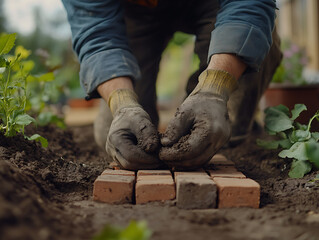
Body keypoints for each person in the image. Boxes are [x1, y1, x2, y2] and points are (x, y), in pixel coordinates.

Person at [62, 0, 282, 170]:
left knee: (258, 44)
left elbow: (249, 5)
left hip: (215, 5)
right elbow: (97, 35)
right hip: (130, 12)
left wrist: (215, 89)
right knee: (121, 136)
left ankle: (230, 141)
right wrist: (122, 104)